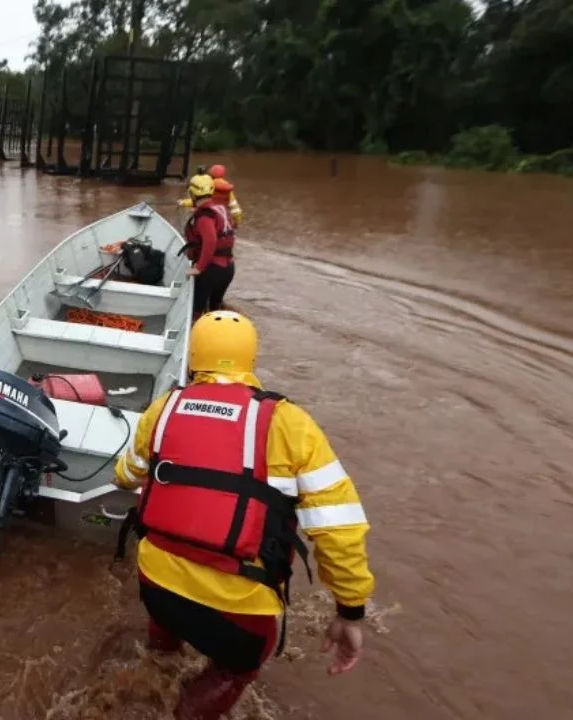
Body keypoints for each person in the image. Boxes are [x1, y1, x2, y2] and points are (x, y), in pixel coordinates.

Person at [114, 310, 375, 720]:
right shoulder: (290, 423)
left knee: (166, 624)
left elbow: (124, 474)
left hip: (156, 585)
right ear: (250, 360)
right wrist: (350, 610)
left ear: (194, 355)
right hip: (238, 610)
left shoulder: (163, 409)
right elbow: (339, 528)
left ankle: (156, 666)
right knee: (236, 668)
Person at [182, 174, 236, 317]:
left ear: (193, 194)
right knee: (215, 311)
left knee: (196, 313)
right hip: (228, 268)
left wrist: (199, 268)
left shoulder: (204, 217)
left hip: (211, 270)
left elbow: (210, 242)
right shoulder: (220, 209)